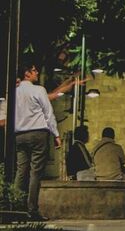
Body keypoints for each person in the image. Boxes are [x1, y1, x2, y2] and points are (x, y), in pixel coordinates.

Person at [12, 62, 79, 220]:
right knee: (36, 172)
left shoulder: (13, 91)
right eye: (33, 70)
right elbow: (48, 113)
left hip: (19, 135)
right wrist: (56, 134)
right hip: (38, 134)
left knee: (21, 171)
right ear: (27, 74)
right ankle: (32, 210)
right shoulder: (38, 90)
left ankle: (14, 206)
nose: (36, 73)